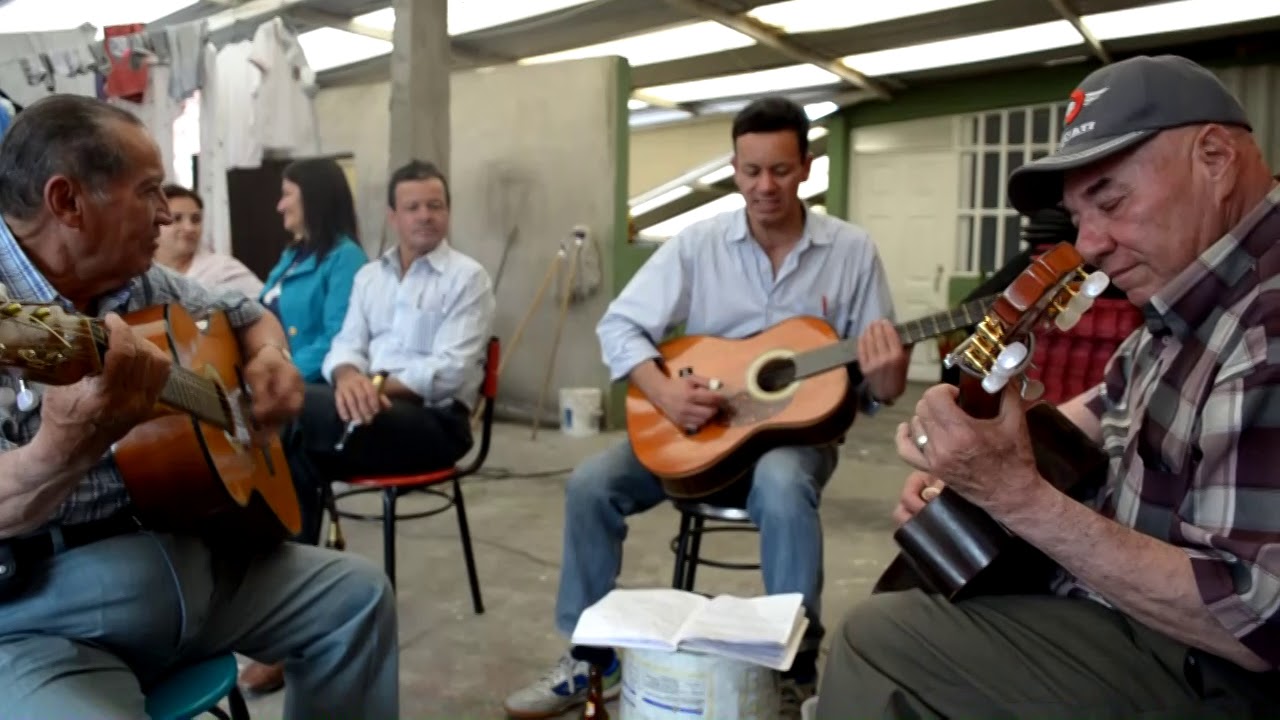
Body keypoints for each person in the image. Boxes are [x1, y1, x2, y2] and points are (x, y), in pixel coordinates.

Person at [817, 54, 1280, 718]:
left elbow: (1252, 616)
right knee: (941, 599)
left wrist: (1018, 496)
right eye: (1076, 217)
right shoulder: (1190, 300)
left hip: (1222, 673)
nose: (1088, 245)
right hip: (1142, 625)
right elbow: (1109, 402)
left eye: (1111, 200)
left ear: (1213, 156)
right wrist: (976, 461)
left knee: (879, 640)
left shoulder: (1268, 323)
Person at [503, 96, 911, 720]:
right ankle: (590, 657)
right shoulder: (698, 245)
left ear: (805, 166)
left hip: (797, 438)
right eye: (750, 171)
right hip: (701, 433)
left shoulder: (852, 251)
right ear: (734, 168)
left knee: (779, 485)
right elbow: (620, 326)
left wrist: (887, 376)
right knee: (590, 484)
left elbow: (877, 387)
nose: (764, 186)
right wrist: (663, 392)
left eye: (779, 170)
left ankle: (793, 668)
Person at [0, 95, 398, 718]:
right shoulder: (16, 324)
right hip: (41, 618)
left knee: (358, 597)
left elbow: (249, 314)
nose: (167, 215)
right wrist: (58, 451)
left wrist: (271, 359)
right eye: (150, 191)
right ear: (67, 201)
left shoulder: (140, 281)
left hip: (194, 560)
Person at [245, 160, 495, 694]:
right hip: (363, 414)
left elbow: (450, 368)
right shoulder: (370, 276)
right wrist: (349, 375)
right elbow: (344, 346)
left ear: (447, 211)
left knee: (290, 420)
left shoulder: (467, 278)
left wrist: (373, 384)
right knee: (299, 454)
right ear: (393, 215)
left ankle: (280, 619)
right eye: (413, 207)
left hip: (434, 424)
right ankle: (296, 621)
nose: (425, 217)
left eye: (436, 205)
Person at [259, 157, 368, 384]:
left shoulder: (346, 257)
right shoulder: (292, 255)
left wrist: (280, 376)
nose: (280, 206)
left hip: (305, 388)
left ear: (313, 196)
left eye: (287, 194)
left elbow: (338, 337)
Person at [153, 183, 265, 299]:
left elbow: (267, 304)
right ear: (153, 223)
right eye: (177, 218)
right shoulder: (138, 273)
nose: (189, 228)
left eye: (196, 219)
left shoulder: (222, 269)